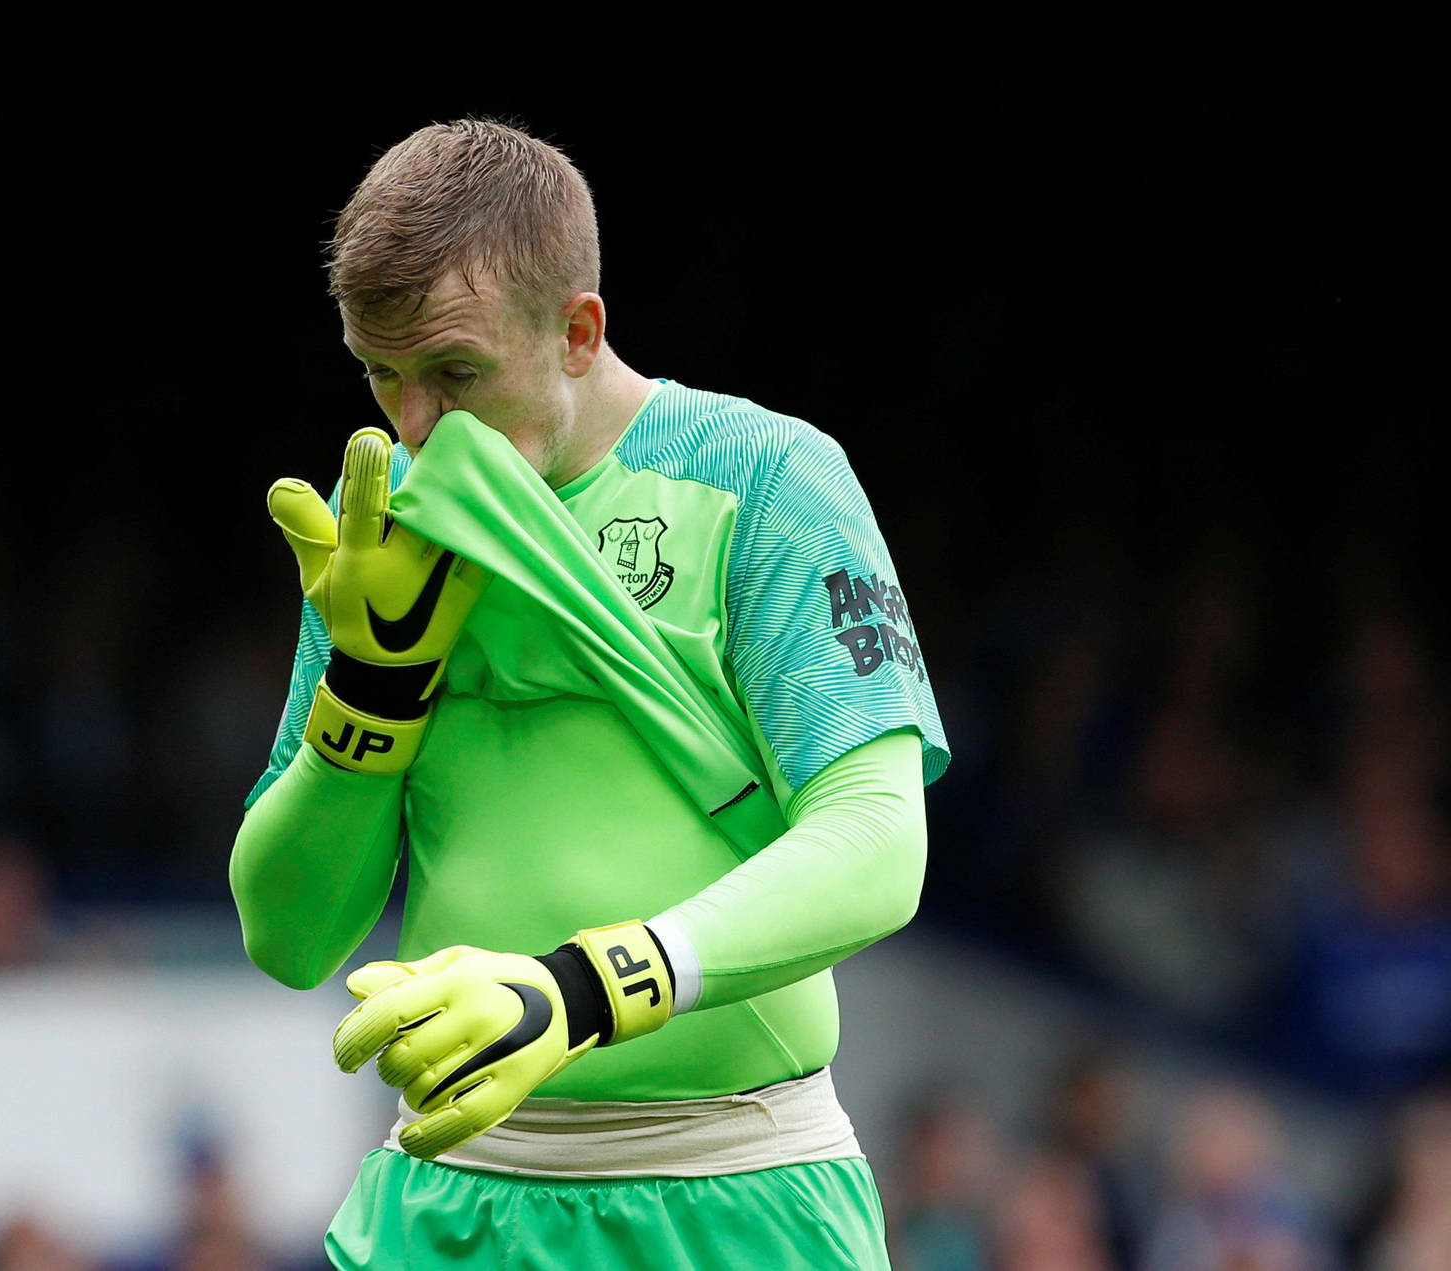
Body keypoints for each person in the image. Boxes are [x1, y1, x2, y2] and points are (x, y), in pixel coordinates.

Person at [230, 119, 950, 1269]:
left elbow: (877, 844)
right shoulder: (383, 521)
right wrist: (370, 690)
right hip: (448, 1196)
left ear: (577, 330)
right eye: (382, 374)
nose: (413, 429)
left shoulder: (767, 478)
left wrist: (585, 987)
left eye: (456, 374)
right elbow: (289, 930)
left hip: (735, 1189)